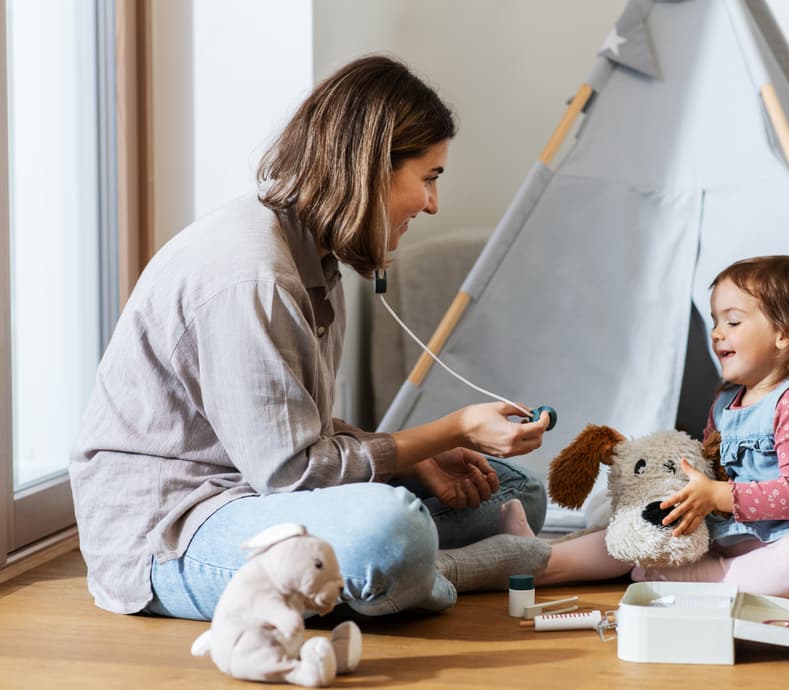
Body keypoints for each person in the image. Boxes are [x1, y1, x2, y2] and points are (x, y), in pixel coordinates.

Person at [69, 55, 554, 621]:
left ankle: (404, 575)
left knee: (514, 493)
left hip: (256, 494)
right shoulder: (254, 275)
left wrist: (416, 458)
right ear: (372, 168)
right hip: (174, 533)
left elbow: (293, 432)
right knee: (391, 532)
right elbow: (290, 475)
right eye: (428, 179)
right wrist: (451, 428)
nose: (432, 204)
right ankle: (440, 572)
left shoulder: (316, 260)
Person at [529, 255, 789, 597]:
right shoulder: (726, 403)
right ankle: (539, 562)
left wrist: (717, 495)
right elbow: (705, 468)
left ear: (785, 334)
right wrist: (643, 469)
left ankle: (705, 578)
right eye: (715, 322)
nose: (717, 333)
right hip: (730, 532)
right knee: (640, 524)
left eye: (732, 322)